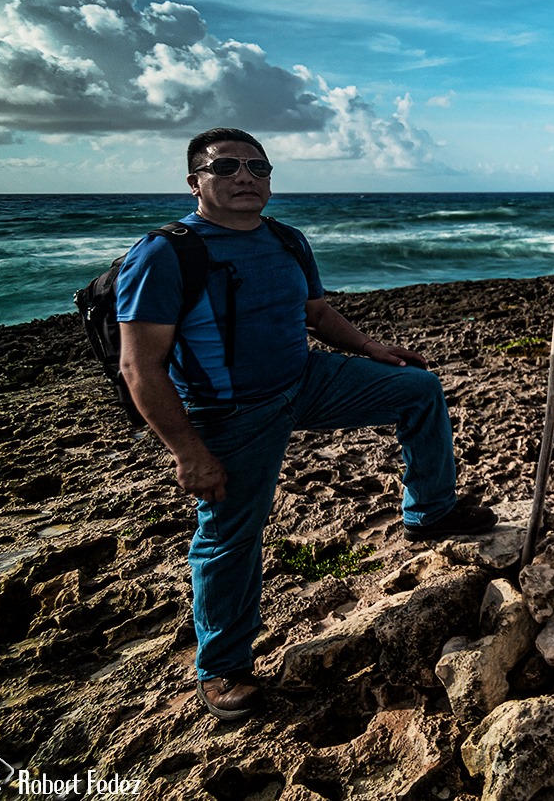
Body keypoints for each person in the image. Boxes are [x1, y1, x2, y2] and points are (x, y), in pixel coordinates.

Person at [116, 127, 495, 723]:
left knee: (418, 389)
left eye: (258, 168)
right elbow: (140, 366)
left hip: (308, 381)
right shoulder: (166, 253)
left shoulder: (287, 240)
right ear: (196, 181)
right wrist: (187, 450)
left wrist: (371, 347)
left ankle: (431, 511)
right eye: (227, 167)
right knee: (230, 537)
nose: (246, 177)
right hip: (232, 411)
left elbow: (315, 312)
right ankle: (222, 669)